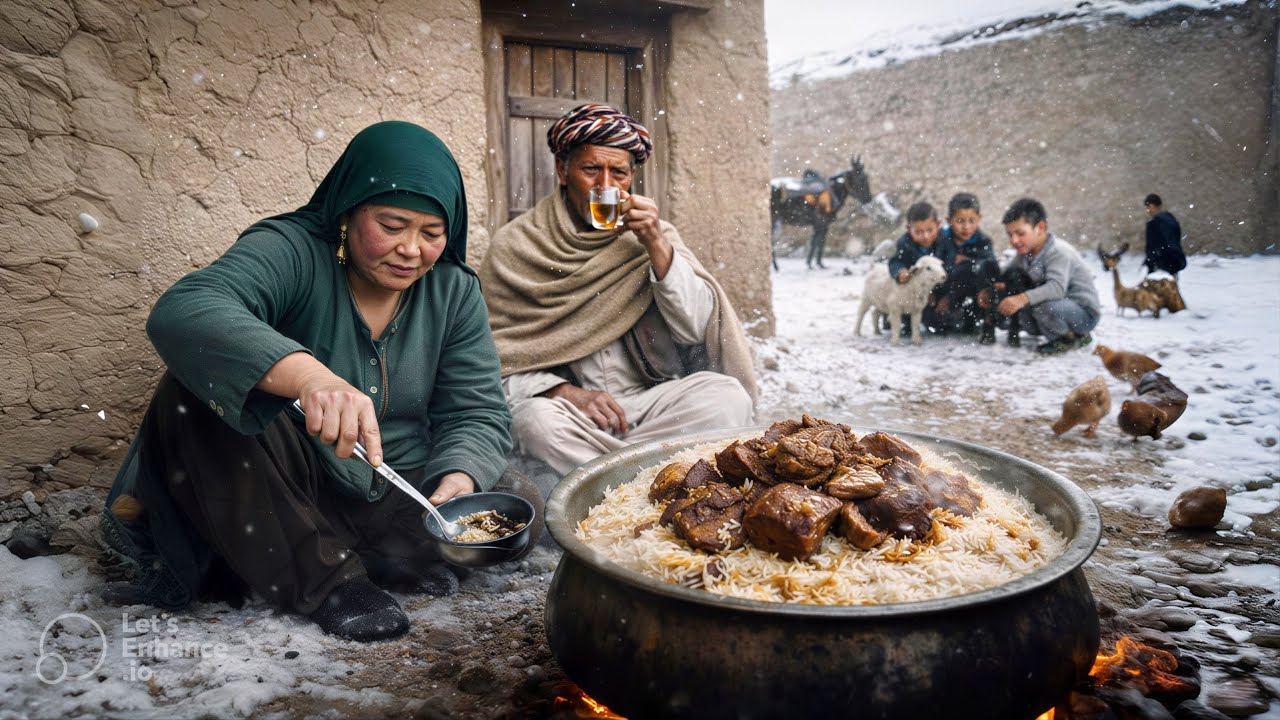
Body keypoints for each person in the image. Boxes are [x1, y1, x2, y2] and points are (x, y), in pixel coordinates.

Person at [100, 121, 538, 643]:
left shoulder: (452, 290)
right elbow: (185, 310)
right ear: (349, 210)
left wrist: (458, 481)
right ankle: (331, 582)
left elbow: (475, 411)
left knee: (511, 496)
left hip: (387, 484)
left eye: (432, 233)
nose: (411, 250)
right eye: (392, 224)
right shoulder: (290, 250)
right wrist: (307, 375)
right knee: (191, 398)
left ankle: (344, 556)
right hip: (283, 484)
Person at [478, 103, 757, 476]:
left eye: (619, 173)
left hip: (651, 402)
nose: (606, 187)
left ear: (631, 179)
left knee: (726, 397)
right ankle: (656, 473)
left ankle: (606, 477)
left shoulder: (655, 235)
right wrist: (562, 392)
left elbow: (694, 328)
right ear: (563, 171)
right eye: (591, 169)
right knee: (534, 421)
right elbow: (494, 361)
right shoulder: (518, 246)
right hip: (576, 416)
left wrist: (656, 245)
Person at [992, 197, 1101, 355]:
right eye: (1009, 235)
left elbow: (1056, 289)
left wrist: (1021, 299)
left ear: (1040, 227)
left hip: (1083, 313)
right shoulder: (1026, 252)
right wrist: (992, 287)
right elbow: (1007, 272)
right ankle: (1073, 335)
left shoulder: (1058, 252)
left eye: (1020, 233)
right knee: (1022, 312)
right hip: (1056, 308)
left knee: (1040, 307)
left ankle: (1069, 339)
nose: (1014, 240)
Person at [927, 192, 999, 335]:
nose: (966, 227)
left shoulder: (983, 241)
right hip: (943, 287)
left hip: (969, 293)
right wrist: (933, 292)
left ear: (979, 218)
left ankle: (974, 319)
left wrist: (970, 261)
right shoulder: (942, 239)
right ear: (949, 220)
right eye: (960, 221)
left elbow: (991, 266)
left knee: (971, 270)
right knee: (932, 321)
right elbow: (934, 265)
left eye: (972, 221)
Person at [886, 201, 941, 334]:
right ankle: (895, 319)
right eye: (918, 232)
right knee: (900, 303)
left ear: (938, 225)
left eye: (929, 230)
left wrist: (934, 291)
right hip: (912, 290)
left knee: (936, 320)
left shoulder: (943, 241)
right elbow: (895, 261)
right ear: (908, 229)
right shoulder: (905, 243)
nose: (925, 236)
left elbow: (947, 266)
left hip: (936, 289)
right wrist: (900, 272)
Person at [1142, 193, 1187, 276]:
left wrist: (1152, 261)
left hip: (1161, 265)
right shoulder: (1171, 219)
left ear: (1153, 206)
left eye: (1148, 207)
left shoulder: (1155, 222)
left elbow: (1154, 245)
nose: (1148, 210)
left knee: (1158, 288)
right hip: (1172, 263)